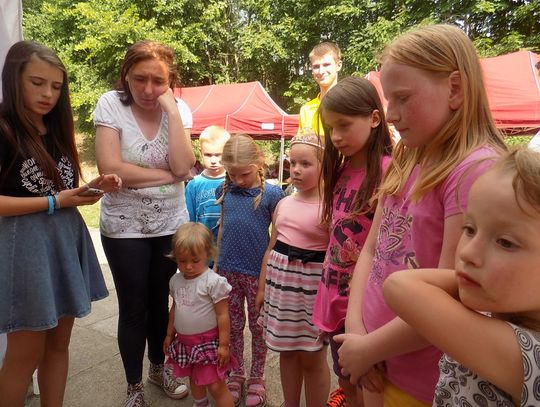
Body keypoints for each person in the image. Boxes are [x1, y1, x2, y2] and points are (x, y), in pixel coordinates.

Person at [336, 24, 507, 407]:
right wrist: (356, 330)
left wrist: (369, 348)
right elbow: (371, 250)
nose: (391, 114)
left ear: (455, 89)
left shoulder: (475, 171)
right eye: (388, 100)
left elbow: (452, 295)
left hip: (419, 381)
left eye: (402, 98)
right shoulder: (407, 156)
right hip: (373, 357)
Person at [0, 40, 121, 406]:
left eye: (55, 86)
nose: (48, 94)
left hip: (63, 242)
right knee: (24, 355)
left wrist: (87, 189)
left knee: (59, 344)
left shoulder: (54, 129)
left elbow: (58, 189)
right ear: (14, 79)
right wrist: (56, 201)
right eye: (37, 83)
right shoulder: (4, 129)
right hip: (25, 250)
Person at [384, 148, 540, 406]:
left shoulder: (529, 356)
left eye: (505, 242)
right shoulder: (492, 311)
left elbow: (399, 286)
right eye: (470, 229)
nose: (467, 252)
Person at [93, 40, 196, 406]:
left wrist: (171, 112)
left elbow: (184, 165)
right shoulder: (111, 104)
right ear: (126, 76)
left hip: (170, 223)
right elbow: (110, 168)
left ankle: (158, 367)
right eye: (140, 79)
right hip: (124, 226)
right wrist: (170, 175)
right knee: (134, 307)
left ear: (170, 82)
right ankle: (133, 385)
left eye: (158, 81)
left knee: (160, 301)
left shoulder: (178, 109)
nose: (149, 89)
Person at [311, 76, 393, 407]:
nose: (336, 136)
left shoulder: (389, 172)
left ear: (374, 119)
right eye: (331, 128)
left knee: (369, 384)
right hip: (334, 297)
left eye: (344, 125)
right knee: (346, 378)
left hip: (369, 306)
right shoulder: (340, 171)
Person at [256, 133, 330, 407]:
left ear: (325, 166)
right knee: (286, 352)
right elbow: (271, 247)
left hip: (312, 292)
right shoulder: (284, 203)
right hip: (281, 291)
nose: (296, 169)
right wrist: (262, 288)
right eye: (293, 163)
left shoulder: (331, 207)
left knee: (312, 356)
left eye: (305, 164)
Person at [215, 134, 284, 407]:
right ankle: (236, 373)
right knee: (231, 326)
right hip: (227, 272)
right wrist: (216, 266)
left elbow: (277, 238)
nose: (239, 180)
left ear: (259, 162)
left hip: (257, 274)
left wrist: (268, 279)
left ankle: (257, 376)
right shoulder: (225, 190)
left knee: (258, 328)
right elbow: (222, 227)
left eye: (244, 174)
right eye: (232, 174)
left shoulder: (272, 195)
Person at [163, 222, 235, 407]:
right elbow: (174, 308)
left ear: (207, 254)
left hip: (208, 344)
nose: (188, 266)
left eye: (195, 261)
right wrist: (169, 334)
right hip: (185, 343)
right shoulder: (175, 280)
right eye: (182, 260)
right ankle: (201, 403)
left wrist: (224, 345)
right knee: (194, 379)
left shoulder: (213, 282)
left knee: (216, 386)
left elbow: (223, 315)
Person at [185, 125, 231, 240]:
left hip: (228, 242)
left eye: (218, 155)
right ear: (201, 153)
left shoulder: (233, 182)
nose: (213, 160)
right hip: (202, 243)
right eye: (208, 155)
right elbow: (189, 219)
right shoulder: (194, 184)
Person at [297, 42, 342, 136]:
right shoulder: (306, 110)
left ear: (338, 65)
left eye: (326, 65)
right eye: (316, 66)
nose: (321, 71)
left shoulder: (349, 103)